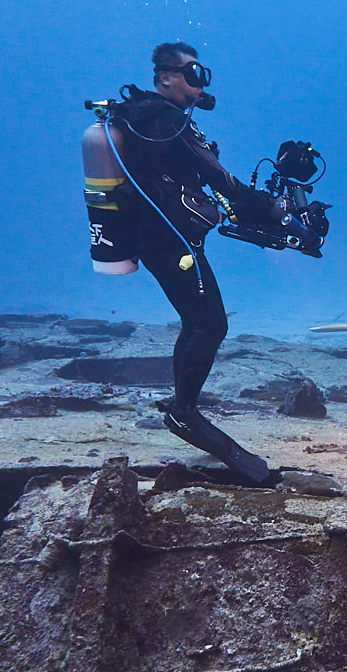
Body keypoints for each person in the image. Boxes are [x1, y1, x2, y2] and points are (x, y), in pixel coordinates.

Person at [81, 41, 303, 484]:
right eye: (193, 73)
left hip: (161, 237)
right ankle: (184, 412)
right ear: (165, 76)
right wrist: (280, 212)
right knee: (209, 324)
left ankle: (181, 406)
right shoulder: (165, 122)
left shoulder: (145, 119)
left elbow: (207, 185)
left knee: (197, 321)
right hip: (169, 241)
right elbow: (224, 183)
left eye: (203, 75)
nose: (200, 84)